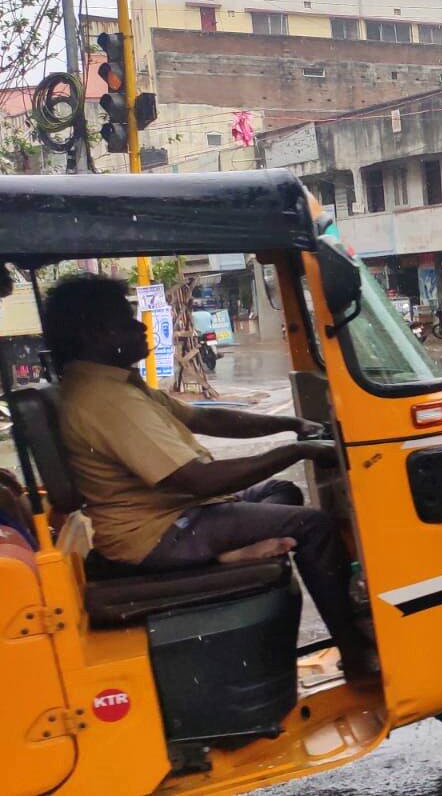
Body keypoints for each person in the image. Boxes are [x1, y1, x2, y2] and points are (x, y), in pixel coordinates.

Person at [43, 275, 376, 674]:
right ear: (96, 332)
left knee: (281, 490)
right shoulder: (104, 400)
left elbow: (205, 417)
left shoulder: (118, 384)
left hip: (180, 514)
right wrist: (296, 449)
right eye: (127, 321)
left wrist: (290, 424)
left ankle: (225, 554)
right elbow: (198, 480)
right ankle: (356, 656)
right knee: (312, 526)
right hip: (159, 534)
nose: (141, 327)